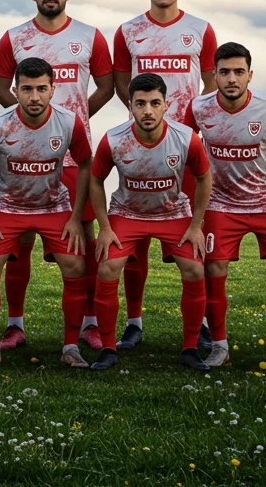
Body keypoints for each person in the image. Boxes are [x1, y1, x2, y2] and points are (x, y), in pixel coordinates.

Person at [0, 0, 114, 350]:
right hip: (25, 156)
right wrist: (33, 121)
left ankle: (90, 323)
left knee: (84, 236)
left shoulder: (90, 36)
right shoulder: (14, 38)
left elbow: (106, 87)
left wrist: (65, 124)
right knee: (20, 240)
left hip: (73, 159)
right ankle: (15, 324)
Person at [182, 42, 266, 368]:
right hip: (220, 206)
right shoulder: (199, 108)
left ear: (250, 75)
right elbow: (185, 150)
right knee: (214, 271)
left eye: (238, 72)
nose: (231, 79)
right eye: (224, 72)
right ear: (214, 74)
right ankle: (220, 346)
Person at [112, 0, 217, 352]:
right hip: (139, 149)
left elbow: (209, 85)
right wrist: (145, 121)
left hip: (185, 149)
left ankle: (202, 323)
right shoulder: (128, 31)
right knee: (133, 243)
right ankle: (133, 322)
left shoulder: (200, 30)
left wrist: (181, 129)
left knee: (191, 241)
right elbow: (124, 84)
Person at [0, 58, 93, 369]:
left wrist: (76, 218)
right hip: (7, 206)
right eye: (26, 89)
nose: (34, 97)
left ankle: (71, 347)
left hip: (53, 206)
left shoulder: (68, 121)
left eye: (40, 89)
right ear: (15, 90)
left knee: (75, 264)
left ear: (53, 90)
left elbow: (86, 164)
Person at [89, 73, 211, 372]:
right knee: (107, 266)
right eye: (140, 104)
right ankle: (107, 348)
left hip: (173, 213)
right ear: (130, 106)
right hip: (127, 213)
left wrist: (196, 226)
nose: (147, 110)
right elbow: (95, 179)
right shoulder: (114, 139)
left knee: (195, 267)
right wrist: (104, 227)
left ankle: (191, 347)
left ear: (166, 105)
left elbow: (204, 177)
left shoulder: (185, 138)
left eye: (155, 103)